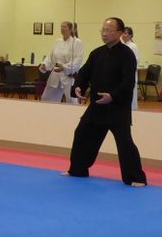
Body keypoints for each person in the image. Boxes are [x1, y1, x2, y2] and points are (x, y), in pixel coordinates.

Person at [64, 17, 147, 186]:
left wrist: (113, 96)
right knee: (82, 133)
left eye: (109, 30)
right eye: (103, 30)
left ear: (120, 33)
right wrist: (79, 86)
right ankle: (77, 169)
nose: (104, 33)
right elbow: (84, 73)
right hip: (97, 106)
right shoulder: (97, 53)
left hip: (117, 106)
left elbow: (128, 82)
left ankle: (136, 177)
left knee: (124, 142)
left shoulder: (127, 55)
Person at [39, 21, 85, 104]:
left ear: (70, 29)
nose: (62, 29)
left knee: (71, 100)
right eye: (61, 27)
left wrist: (64, 67)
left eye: (64, 27)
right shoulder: (57, 41)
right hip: (56, 74)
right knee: (46, 98)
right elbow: (51, 57)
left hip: (68, 75)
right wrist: (45, 64)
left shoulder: (77, 42)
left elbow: (78, 60)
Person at [121, 27, 140, 110]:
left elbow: (135, 61)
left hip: (130, 76)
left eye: (125, 33)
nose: (123, 35)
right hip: (122, 76)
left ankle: (133, 111)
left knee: (131, 97)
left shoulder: (133, 46)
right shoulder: (122, 46)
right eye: (123, 33)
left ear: (131, 35)